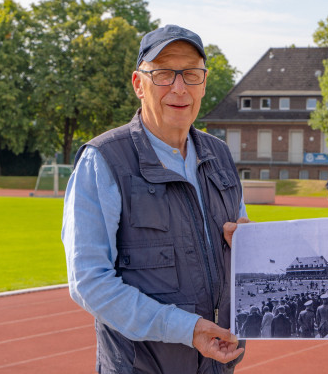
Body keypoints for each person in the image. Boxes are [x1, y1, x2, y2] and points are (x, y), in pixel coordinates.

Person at [62, 25, 249, 374]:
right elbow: (90, 282)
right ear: (138, 84)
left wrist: (247, 245)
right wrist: (186, 329)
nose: (179, 88)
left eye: (191, 74)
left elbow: (242, 248)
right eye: (163, 74)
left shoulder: (220, 156)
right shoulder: (104, 161)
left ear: (204, 84)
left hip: (216, 365)